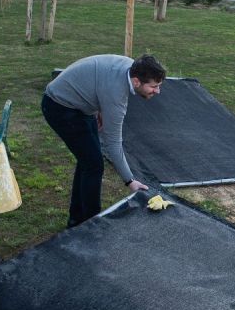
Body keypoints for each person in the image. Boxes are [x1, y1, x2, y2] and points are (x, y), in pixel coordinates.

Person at [41, 54, 166, 227]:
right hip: (60, 107)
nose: (157, 91)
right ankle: (91, 224)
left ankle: (76, 219)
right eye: (154, 86)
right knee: (93, 164)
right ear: (136, 82)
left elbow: (100, 79)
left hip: (79, 106)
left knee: (88, 160)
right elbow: (113, 143)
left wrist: (100, 108)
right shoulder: (117, 95)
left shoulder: (133, 67)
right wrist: (129, 180)